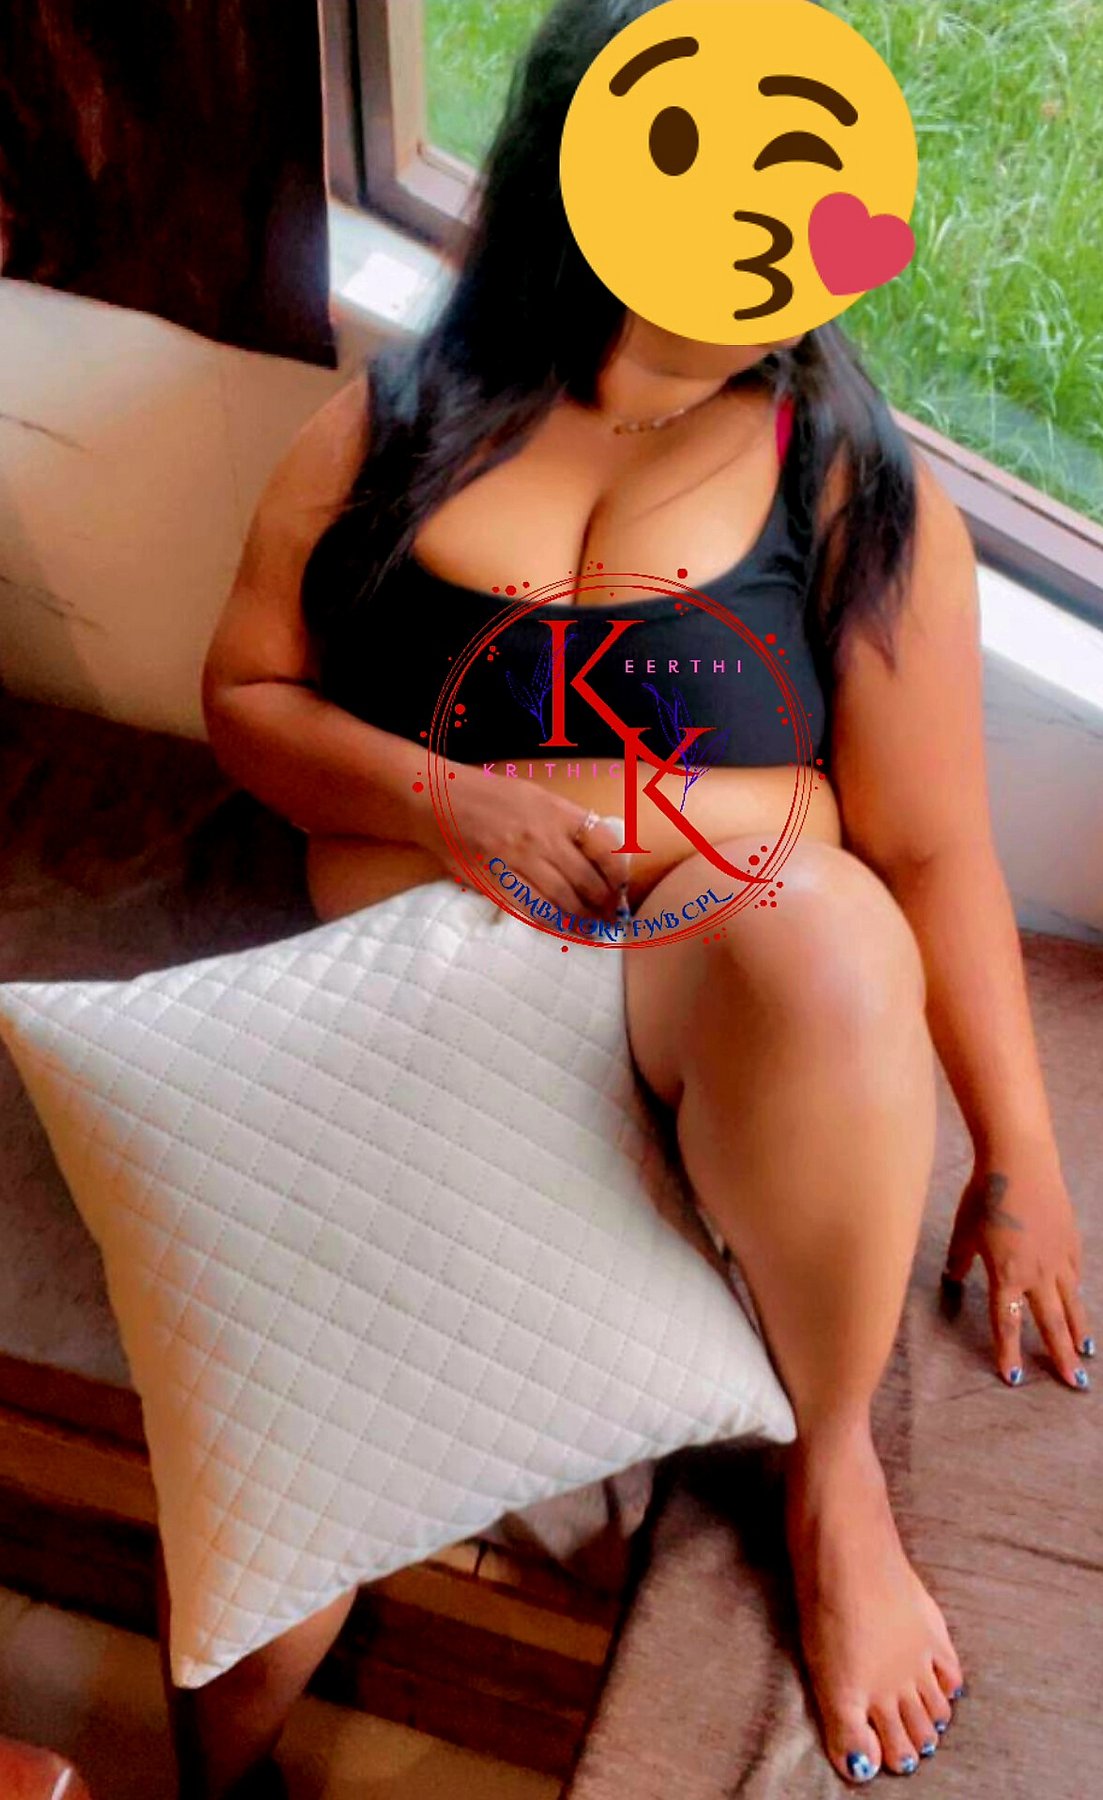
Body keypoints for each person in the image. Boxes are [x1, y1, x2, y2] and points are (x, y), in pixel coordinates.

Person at [188, 1, 1094, 1792]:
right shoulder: (391, 418)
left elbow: (928, 849)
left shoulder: (846, 471)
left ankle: (831, 1471)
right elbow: (245, 697)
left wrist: (1026, 1163)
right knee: (257, 1599)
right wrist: (442, 798)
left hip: (718, 998)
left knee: (836, 931)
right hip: (434, 989)